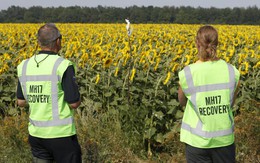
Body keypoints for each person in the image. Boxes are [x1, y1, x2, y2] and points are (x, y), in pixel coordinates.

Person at [16, 23, 82, 163]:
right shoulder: (63, 65)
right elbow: (74, 103)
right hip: (61, 135)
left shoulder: (24, 66)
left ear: (39, 42)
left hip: (36, 135)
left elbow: (21, 102)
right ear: (58, 41)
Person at [178, 25, 240, 163]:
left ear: (197, 44)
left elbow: (182, 102)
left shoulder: (188, 73)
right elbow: (231, 102)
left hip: (197, 141)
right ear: (216, 44)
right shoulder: (231, 72)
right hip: (224, 141)